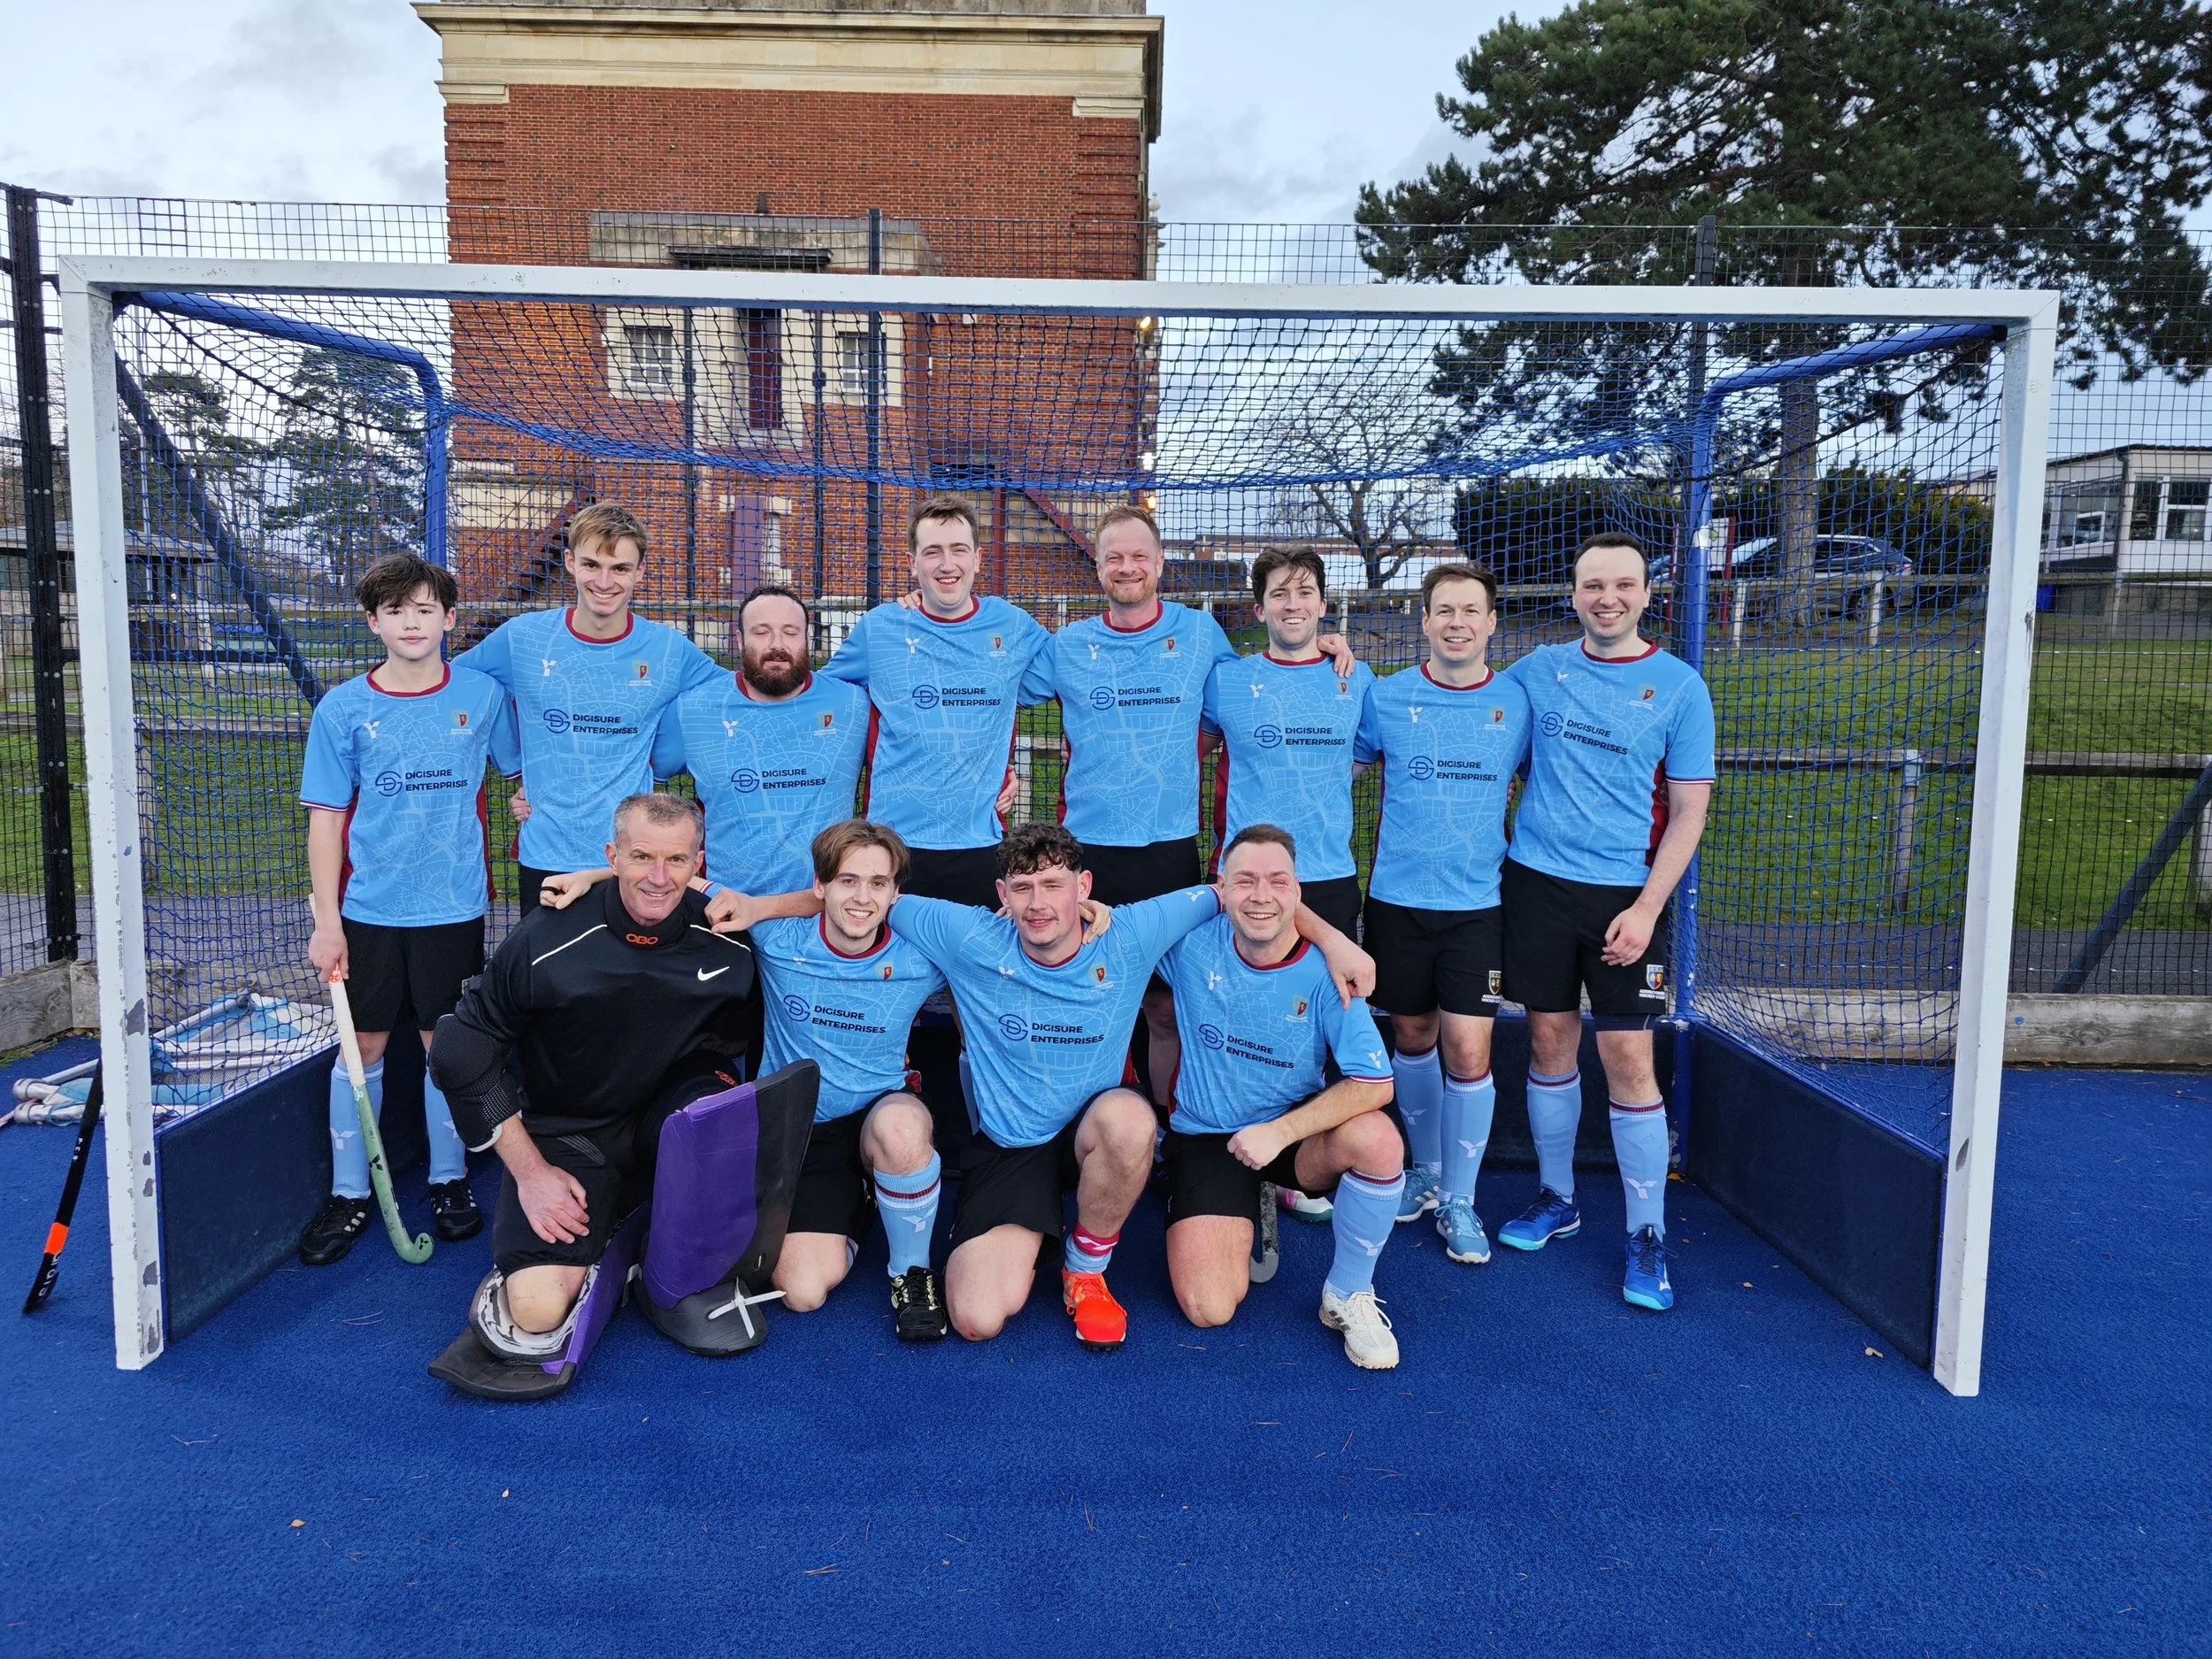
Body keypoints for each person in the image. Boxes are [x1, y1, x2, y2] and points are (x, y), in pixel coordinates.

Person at [1018, 504, 1358, 1110]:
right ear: (1097, 567)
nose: (1128, 568)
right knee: (1081, 994)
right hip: (1086, 852)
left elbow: (1275, 675)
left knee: (1164, 1006)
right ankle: (1076, 1120)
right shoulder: (1067, 645)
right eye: (1114, 557)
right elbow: (992, 694)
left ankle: (1165, 1127)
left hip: (1169, 853)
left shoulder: (1201, 636)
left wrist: (1322, 642)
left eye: (1139, 556)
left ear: (1160, 564)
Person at [427, 793, 760, 1350]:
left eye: (676, 860)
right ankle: (605, 1222)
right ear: (612, 856)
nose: (658, 877)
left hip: (670, 1123)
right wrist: (531, 1174)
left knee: (712, 1109)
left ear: (698, 863)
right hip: (571, 1131)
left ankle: (660, 1245)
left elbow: (742, 1029)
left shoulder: (729, 938)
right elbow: (460, 1049)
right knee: (534, 1311)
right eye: (640, 857)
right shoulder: (546, 937)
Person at [1495, 533, 1715, 1312]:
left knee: (1628, 1058)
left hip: (1627, 898)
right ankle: (1558, 1198)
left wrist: (1648, 906)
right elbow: (1463, 686)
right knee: (1550, 1040)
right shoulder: (1540, 670)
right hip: (1536, 887)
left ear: (1647, 593)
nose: (1607, 597)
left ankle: (1647, 1233)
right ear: (1574, 592)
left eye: (1623, 584)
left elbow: (1689, 809)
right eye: (1594, 584)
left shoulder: (1681, 687)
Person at [295, 553, 519, 1264]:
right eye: (396, 610)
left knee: (441, 1045)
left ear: (449, 620)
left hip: (452, 907)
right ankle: (349, 1192)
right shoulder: (344, 708)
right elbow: (326, 822)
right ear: (374, 622)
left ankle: (450, 1181)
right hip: (368, 909)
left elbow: (519, 775)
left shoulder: (481, 695)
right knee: (361, 1048)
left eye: (426, 609)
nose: (412, 622)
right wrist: (327, 923)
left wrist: (527, 799)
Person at [1156, 826, 1404, 1369]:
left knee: (1379, 1141)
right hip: (1206, 1135)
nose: (1261, 896)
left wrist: (1279, 1134)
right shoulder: (1189, 944)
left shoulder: (1327, 971)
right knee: (1207, 1309)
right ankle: (1239, 1200)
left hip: (1290, 1135)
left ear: (1297, 891)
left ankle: (1347, 1293)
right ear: (1221, 887)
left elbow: (1376, 1082)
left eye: (1277, 881)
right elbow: (1118, 936)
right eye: (1244, 881)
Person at [1353, 564, 1532, 1253]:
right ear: (1423, 622)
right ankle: (1423, 1170)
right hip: (1397, 900)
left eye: (1471, 610)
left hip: (1477, 905)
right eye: (1443, 610)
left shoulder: (1517, 703)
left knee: (1468, 1045)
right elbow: (1341, 769)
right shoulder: (1386, 697)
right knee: (1414, 1035)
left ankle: (1461, 1198)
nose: (1457, 622)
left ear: (1490, 624)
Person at [454, 502, 723, 909]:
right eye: (591, 564)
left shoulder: (669, 650)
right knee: (546, 973)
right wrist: (513, 767)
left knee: (629, 974)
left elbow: (729, 698)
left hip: (633, 861)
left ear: (640, 572)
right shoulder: (523, 638)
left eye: (620, 568)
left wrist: (664, 757)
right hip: (547, 855)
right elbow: (461, 687)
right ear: (569, 563)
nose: (604, 581)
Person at [754, 820, 949, 1341]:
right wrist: (594, 875)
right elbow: (673, 884)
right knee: (802, 1291)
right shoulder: (773, 936)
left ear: (895, 894)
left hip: (877, 1118)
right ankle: (867, 1201)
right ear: (819, 887)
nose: (862, 898)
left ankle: (911, 1272)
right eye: (847, 881)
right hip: (800, 1130)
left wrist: (1090, 914)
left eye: (878, 883)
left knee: (904, 1129)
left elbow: (1015, 933)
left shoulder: (922, 957)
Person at [819, 495, 1048, 908]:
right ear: (913, 563)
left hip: (979, 842)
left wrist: (1002, 765)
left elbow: (1068, 684)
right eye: (932, 553)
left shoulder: (1014, 626)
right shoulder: (881, 628)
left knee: (973, 969)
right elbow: (820, 701)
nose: (947, 565)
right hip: (892, 847)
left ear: (977, 558)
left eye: (959, 550)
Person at [1202, 547, 1377, 940]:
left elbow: (1369, 756)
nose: (1292, 604)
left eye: (1305, 592)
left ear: (1322, 603)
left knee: (1333, 995)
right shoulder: (1226, 680)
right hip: (1246, 876)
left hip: (1328, 874)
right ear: (1260, 609)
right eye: (1279, 594)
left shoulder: (1360, 680)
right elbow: (1182, 748)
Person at [650, 585, 869, 898]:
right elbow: (637, 775)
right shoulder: (693, 711)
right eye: (762, 632)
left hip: (825, 910)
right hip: (724, 908)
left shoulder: (852, 704)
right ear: (739, 640)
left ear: (807, 638)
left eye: (791, 632)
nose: (777, 645)